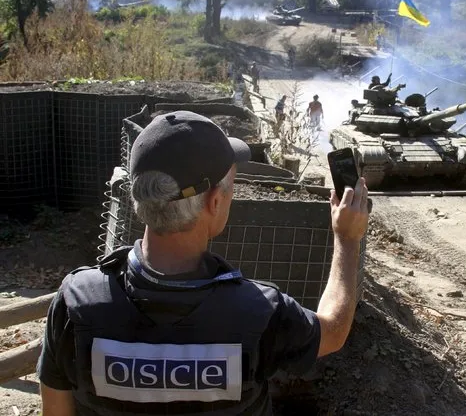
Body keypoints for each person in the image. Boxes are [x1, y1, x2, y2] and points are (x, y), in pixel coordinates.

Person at [37, 111, 369, 415]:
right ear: (214, 201)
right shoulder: (259, 312)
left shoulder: (76, 300)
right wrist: (348, 238)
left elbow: (55, 410)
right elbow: (333, 332)